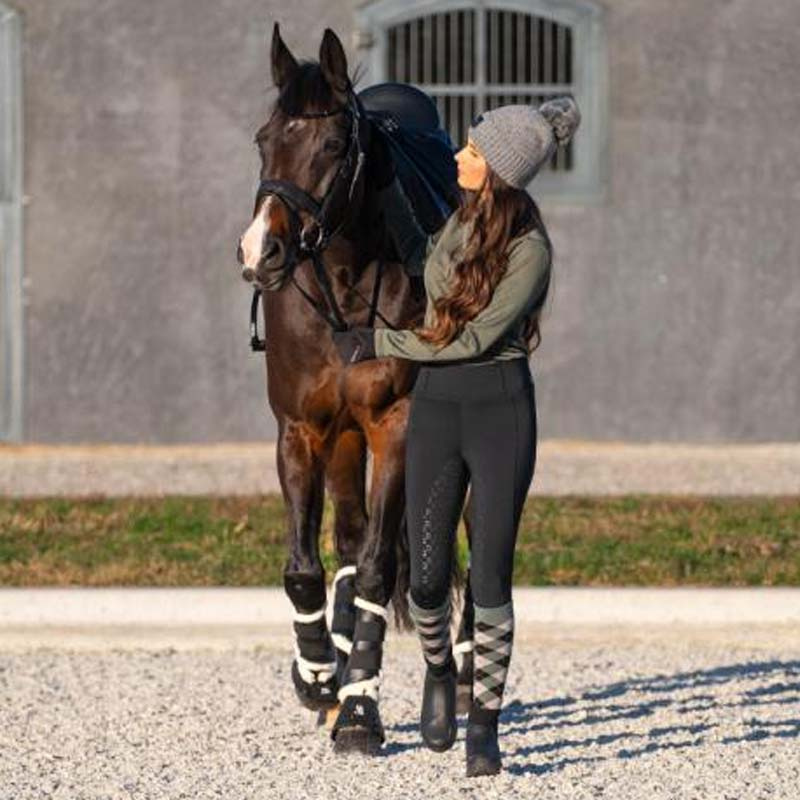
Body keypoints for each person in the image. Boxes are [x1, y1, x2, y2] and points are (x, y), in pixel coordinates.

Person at [334, 97, 581, 777]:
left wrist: (377, 342)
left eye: (472, 151)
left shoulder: (531, 251)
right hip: (437, 409)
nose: (457, 158)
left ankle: (486, 727)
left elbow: (471, 337)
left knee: (492, 576)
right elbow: (423, 264)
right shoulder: (457, 219)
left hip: (500, 409)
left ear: (499, 171)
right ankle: (439, 670)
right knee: (426, 579)